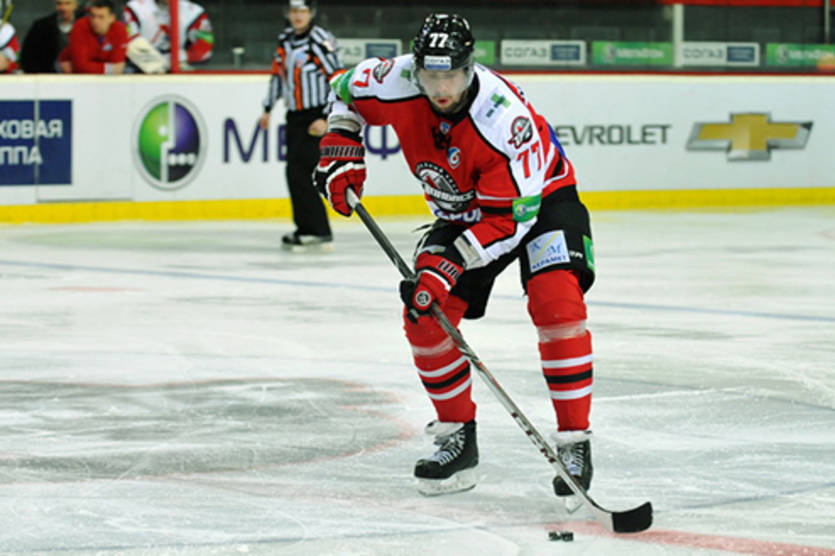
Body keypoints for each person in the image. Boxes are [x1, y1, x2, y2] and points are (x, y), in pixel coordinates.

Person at [314, 13, 596, 496]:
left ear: (469, 68)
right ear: (416, 69)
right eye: (430, 76)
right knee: (425, 315)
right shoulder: (394, 80)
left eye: (452, 76)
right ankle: (458, 436)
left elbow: (509, 223)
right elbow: (343, 91)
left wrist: (450, 263)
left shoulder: (503, 121)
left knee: (557, 302)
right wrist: (342, 140)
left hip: (539, 203)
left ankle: (575, 440)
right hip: (461, 210)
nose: (441, 89)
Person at [260, 0, 344, 252]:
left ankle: (317, 230)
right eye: (294, 11)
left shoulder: (319, 40)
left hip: (315, 115)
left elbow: (337, 78)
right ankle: (306, 228)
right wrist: (267, 108)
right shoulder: (285, 40)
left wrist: (326, 116)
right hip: (295, 115)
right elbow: (278, 76)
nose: (298, 16)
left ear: (311, 13)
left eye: (303, 11)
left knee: (304, 172)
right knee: (294, 173)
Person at [123, 0, 213, 72]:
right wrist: (156, 62)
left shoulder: (195, 12)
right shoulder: (134, 8)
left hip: (178, 71)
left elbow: (204, 49)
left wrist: (175, 58)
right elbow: (128, 41)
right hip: (139, 71)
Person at [61, 0, 127, 74]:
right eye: (93, 16)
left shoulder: (120, 29)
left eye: (101, 17)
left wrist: (92, 67)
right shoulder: (80, 26)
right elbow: (79, 67)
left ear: (112, 18)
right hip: (68, 68)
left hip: (92, 71)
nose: (95, 21)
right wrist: (108, 69)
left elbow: (118, 66)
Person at [20, 0, 85, 73]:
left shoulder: (86, 26)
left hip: (81, 75)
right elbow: (27, 57)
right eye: (59, 4)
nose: (63, 8)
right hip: (48, 76)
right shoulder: (41, 27)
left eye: (68, 3)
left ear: (75, 5)